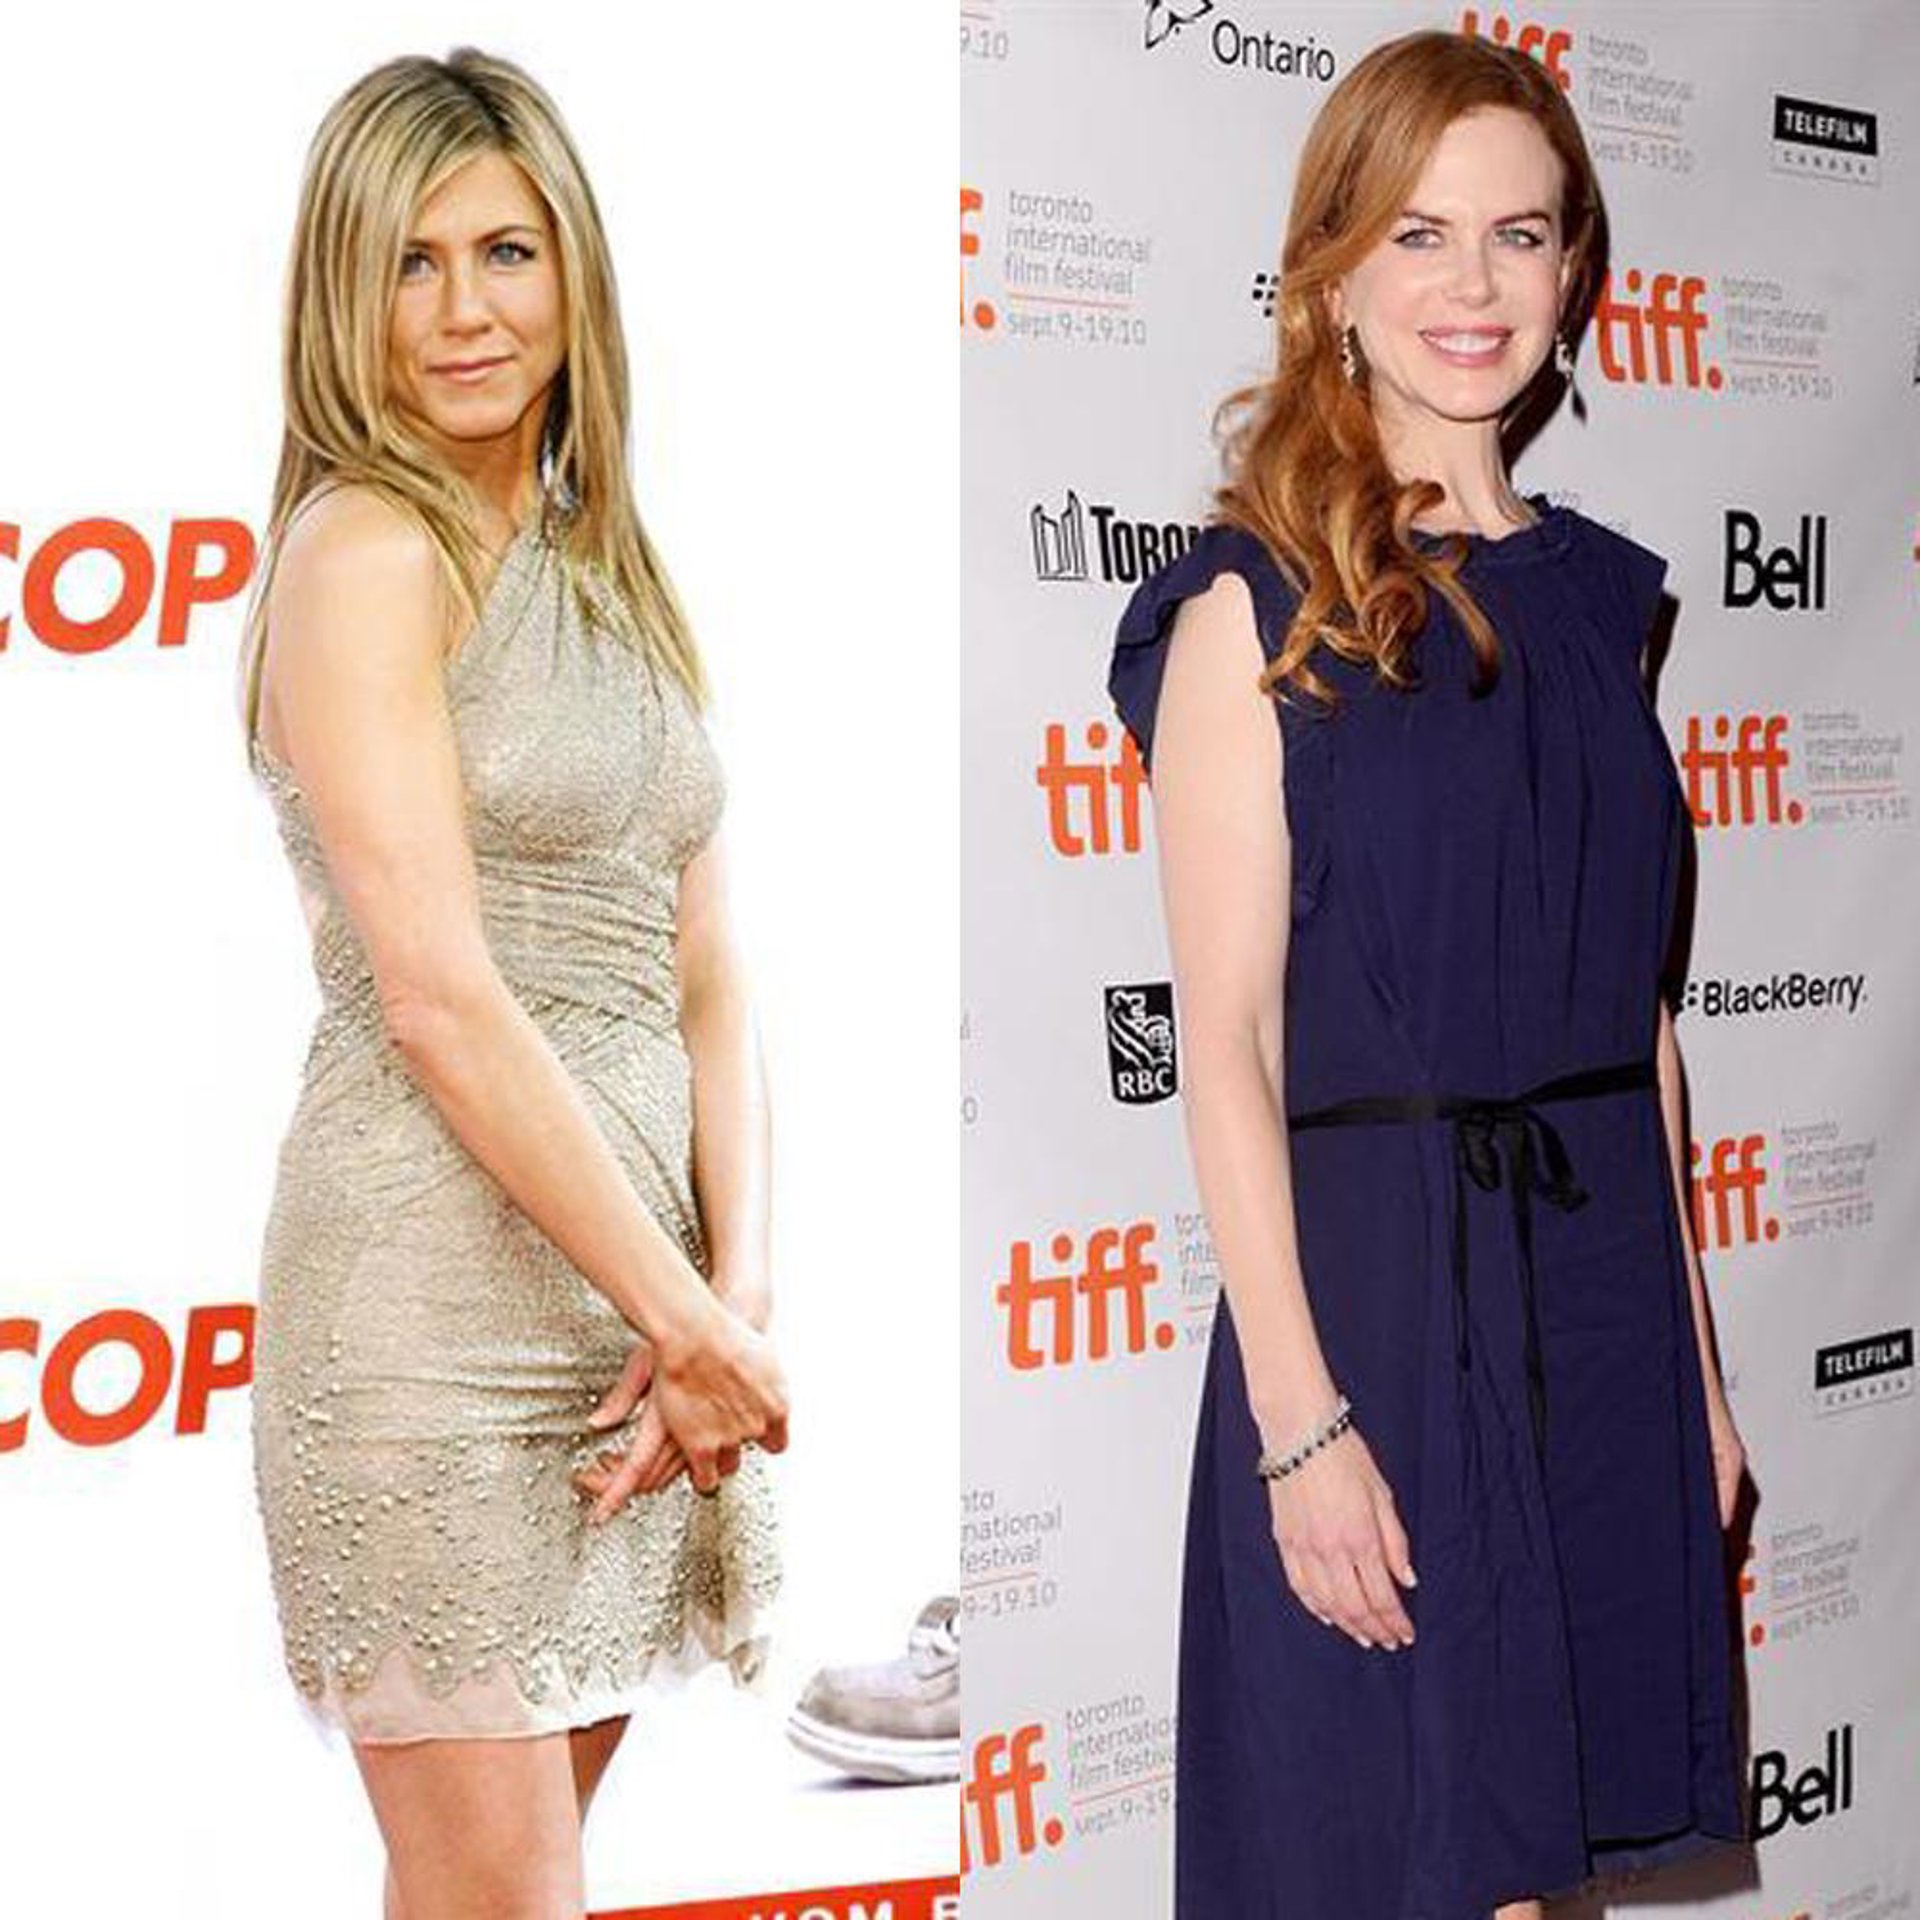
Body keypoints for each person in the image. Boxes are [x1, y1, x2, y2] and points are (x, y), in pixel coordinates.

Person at [1106, 30, 1750, 1920]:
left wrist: (1697, 1380)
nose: (1474, 284)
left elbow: (1639, 1028)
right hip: (1379, 1308)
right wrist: (1299, 1421)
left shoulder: (1604, 604)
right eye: (1420, 232)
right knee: (1408, 1867)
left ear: (1572, 271)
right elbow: (1228, 1046)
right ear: (1332, 272)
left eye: (1519, 235)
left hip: (1597, 1302)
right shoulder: (1251, 607)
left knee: (1547, 1879)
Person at [237, 49, 788, 1919]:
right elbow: (440, 997)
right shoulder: (360, 553)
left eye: (505, 251)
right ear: (344, 293)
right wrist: (688, 1319)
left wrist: (729, 1295)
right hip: (433, 1326)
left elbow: (707, 975)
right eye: (410, 262)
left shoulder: (610, 572)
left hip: (630, 1340)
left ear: (574, 275)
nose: (465, 309)